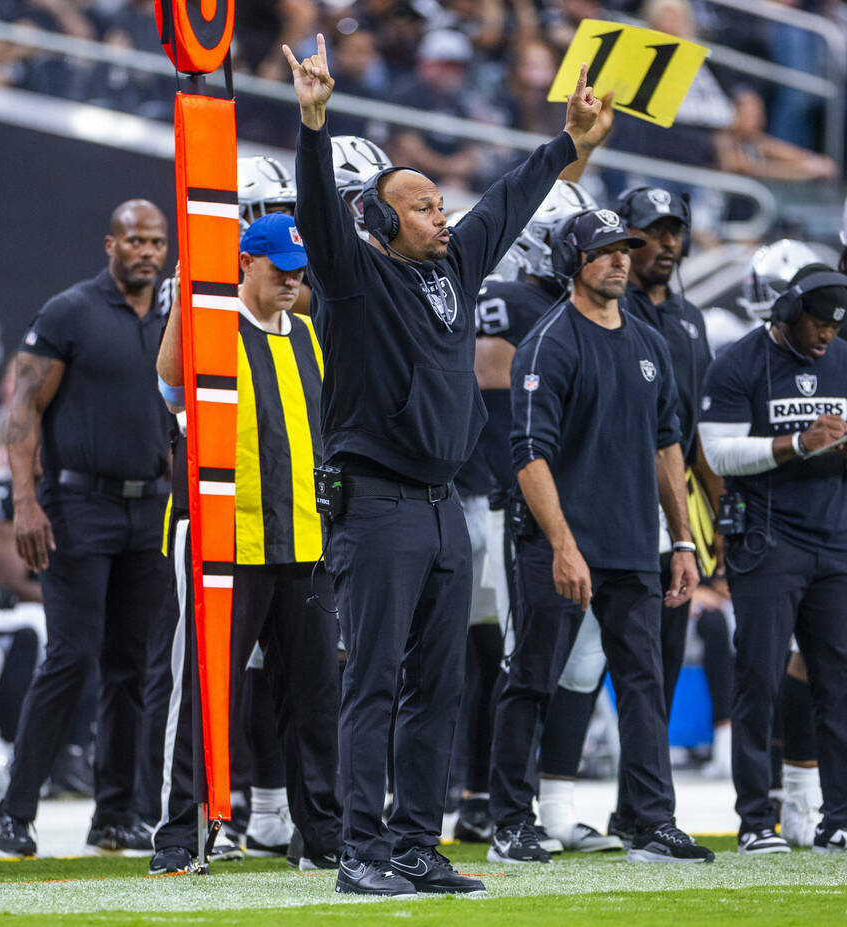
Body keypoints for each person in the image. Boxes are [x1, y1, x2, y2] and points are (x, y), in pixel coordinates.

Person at [283, 35, 600, 897]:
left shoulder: (457, 265)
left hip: (443, 506)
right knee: (375, 680)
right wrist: (313, 124)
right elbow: (318, 214)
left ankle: (417, 845)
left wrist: (570, 144)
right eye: (422, 206)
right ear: (381, 222)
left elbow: (505, 199)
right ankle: (359, 849)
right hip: (377, 503)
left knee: (442, 682)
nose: (441, 216)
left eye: (436, 203)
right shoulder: (351, 277)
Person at [490, 208, 712, 865]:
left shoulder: (645, 340)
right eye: (605, 250)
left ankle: (648, 820)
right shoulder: (550, 343)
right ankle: (509, 821)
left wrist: (679, 539)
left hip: (633, 546)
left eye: (625, 249)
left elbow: (668, 442)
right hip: (556, 545)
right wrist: (561, 544)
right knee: (531, 676)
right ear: (573, 262)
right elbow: (528, 452)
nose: (620, 260)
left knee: (645, 681)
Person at [151, 213, 342, 875]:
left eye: (298, 267)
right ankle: (179, 832)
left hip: (305, 543)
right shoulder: (214, 326)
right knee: (204, 691)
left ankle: (321, 835)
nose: (292, 278)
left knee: (316, 696)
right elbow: (171, 386)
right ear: (245, 264)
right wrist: (182, 303)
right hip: (221, 538)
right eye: (279, 266)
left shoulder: (311, 336)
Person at [0, 199, 172, 857]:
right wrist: (25, 503)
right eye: (135, 240)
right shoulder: (70, 311)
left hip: (153, 506)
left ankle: (116, 812)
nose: (148, 251)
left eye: (157, 241)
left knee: (132, 663)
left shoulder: (175, 315)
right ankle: (15, 810)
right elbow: (23, 410)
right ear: (109, 244)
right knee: (70, 654)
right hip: (78, 504)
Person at [460, 180, 621, 855]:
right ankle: (499, 809)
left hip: (584, 508)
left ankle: (555, 805)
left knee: (583, 659)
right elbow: (499, 420)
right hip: (518, 504)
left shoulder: (584, 306)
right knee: (520, 659)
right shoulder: (508, 301)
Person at [698, 262, 847, 855]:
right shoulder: (739, 360)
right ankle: (757, 818)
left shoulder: (843, 356)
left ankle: (837, 816)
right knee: (757, 679)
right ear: (787, 313)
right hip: (766, 543)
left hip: (835, 540)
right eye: (817, 325)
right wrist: (797, 444)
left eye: (835, 329)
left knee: (837, 683)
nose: (826, 337)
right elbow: (718, 452)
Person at [604, 185, 719, 842]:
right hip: (608, 507)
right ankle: (520, 804)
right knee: (571, 664)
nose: (669, 242)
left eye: (676, 229)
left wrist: (707, 525)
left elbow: (691, 434)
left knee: (662, 665)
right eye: (654, 231)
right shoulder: (603, 313)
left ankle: (636, 808)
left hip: (673, 511)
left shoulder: (692, 319)